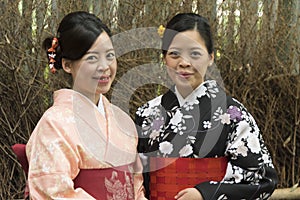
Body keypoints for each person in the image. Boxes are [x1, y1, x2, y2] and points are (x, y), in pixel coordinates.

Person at [135, 13, 278, 200]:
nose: (184, 63)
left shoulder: (233, 114)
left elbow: (263, 179)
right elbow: (135, 176)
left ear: (210, 57)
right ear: (164, 58)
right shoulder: (147, 113)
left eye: (194, 54)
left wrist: (206, 193)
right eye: (174, 54)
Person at [26, 11, 146, 200]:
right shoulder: (55, 123)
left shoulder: (123, 121)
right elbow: (53, 192)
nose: (105, 66)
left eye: (110, 55)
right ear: (67, 65)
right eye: (92, 58)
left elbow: (136, 187)